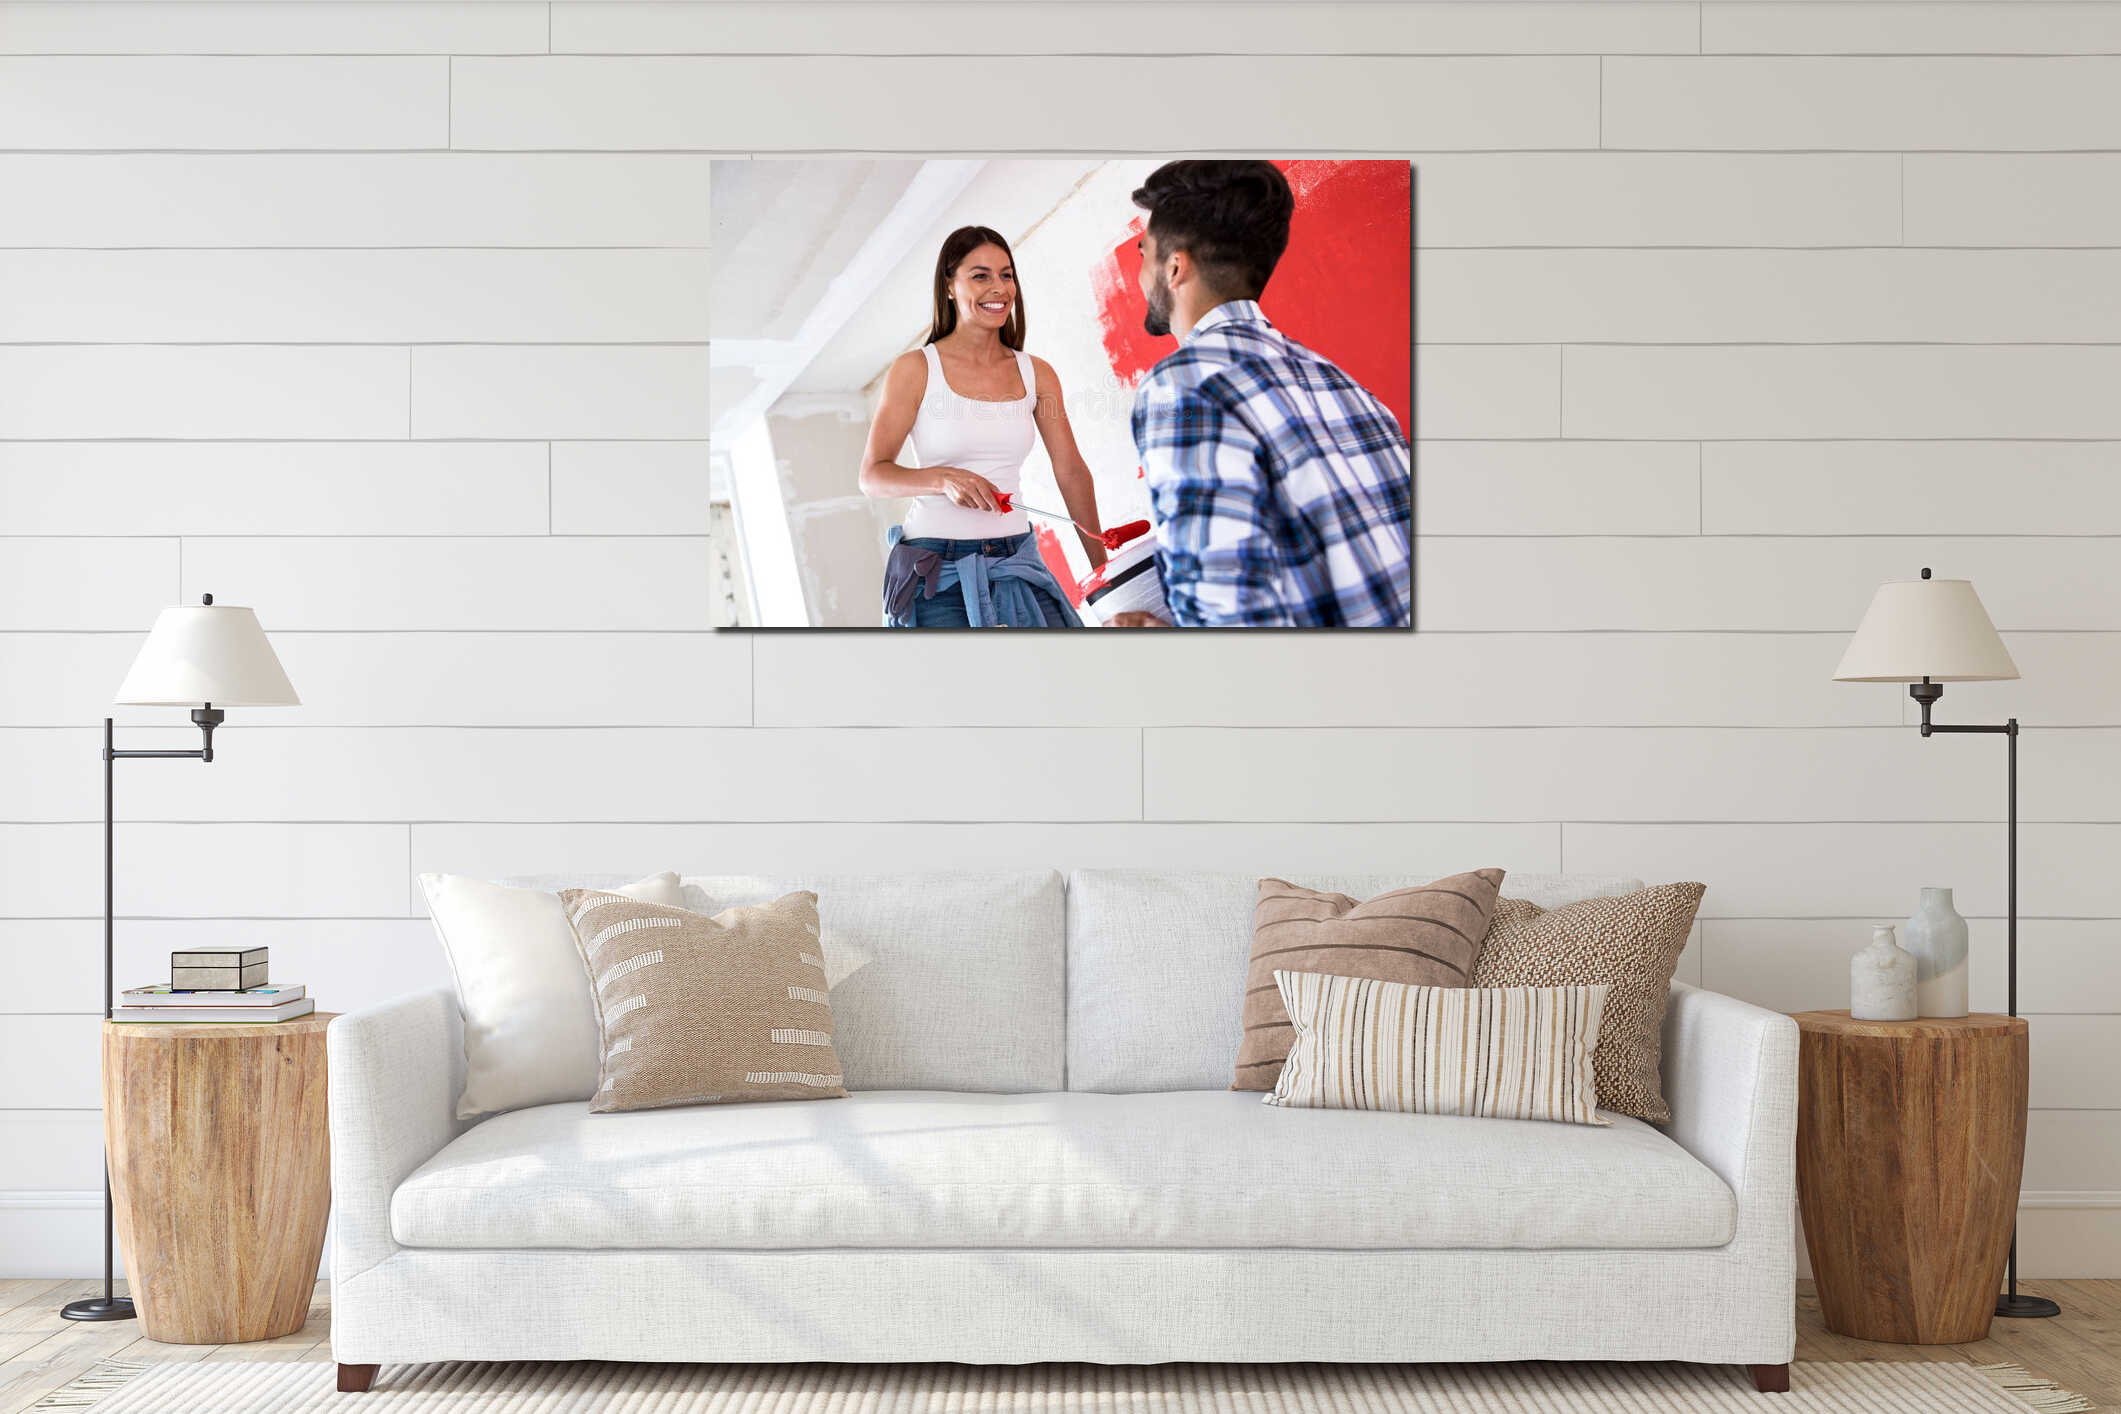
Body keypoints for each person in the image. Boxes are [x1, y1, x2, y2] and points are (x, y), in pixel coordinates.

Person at [1116, 161, 1412, 628]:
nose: (1138, 272)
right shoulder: (1343, 385)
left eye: (1142, 251)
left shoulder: (1182, 389)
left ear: (1174, 267)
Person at [860, 225, 1106, 627]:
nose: (999, 288)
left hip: (1017, 560)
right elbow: (872, 477)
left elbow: (1071, 472)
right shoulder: (916, 369)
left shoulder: (1037, 373)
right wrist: (942, 478)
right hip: (936, 573)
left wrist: (1102, 574)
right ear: (950, 286)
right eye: (980, 275)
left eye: (1006, 275)